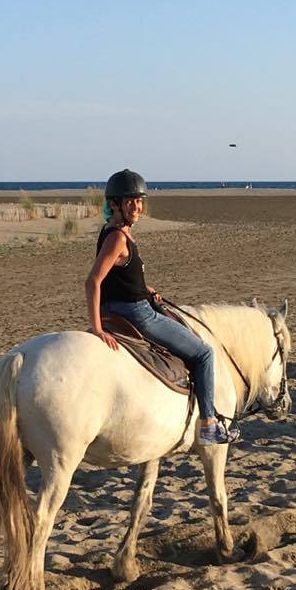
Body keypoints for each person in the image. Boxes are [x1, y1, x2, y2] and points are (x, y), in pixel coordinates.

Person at [85, 168, 229, 444]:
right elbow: (93, 281)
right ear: (114, 204)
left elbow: (120, 277)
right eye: (130, 201)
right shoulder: (117, 237)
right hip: (137, 314)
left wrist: (145, 289)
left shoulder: (112, 231)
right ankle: (209, 425)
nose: (137, 207)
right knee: (204, 354)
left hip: (129, 304)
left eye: (139, 201)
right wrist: (97, 328)